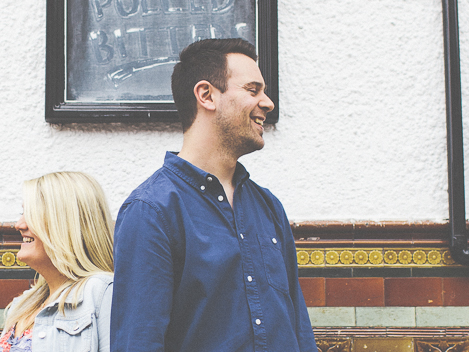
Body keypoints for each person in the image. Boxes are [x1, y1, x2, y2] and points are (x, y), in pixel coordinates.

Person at [111, 38, 317, 352]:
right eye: (252, 89)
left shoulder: (269, 207)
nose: (268, 103)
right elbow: (137, 342)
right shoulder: (151, 210)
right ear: (207, 95)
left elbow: (299, 329)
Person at [0, 171, 114, 352]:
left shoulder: (102, 293)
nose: (19, 224)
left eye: (32, 214)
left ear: (65, 223)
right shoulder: (22, 304)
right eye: (22, 213)